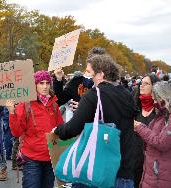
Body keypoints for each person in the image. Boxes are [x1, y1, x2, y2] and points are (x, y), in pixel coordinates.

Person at [53, 52, 136, 188]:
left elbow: (71, 129)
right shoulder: (126, 94)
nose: (90, 77)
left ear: (101, 74)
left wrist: (57, 130)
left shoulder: (94, 95)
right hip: (124, 170)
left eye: (91, 73)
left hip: (98, 171)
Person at [6, 70, 64, 188]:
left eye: (47, 83)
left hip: (50, 159)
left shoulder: (54, 104)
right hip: (32, 160)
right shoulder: (25, 104)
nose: (45, 86)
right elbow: (16, 132)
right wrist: (12, 112)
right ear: (34, 85)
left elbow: (60, 130)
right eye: (41, 83)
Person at [134, 81, 171, 188]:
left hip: (160, 176)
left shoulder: (166, 116)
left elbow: (161, 142)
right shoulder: (163, 114)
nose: (154, 101)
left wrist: (139, 127)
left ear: (163, 97)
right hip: (154, 172)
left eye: (155, 99)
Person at [133, 74, 158, 188]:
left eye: (146, 84)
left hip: (153, 161)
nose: (141, 86)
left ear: (154, 87)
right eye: (141, 83)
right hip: (133, 159)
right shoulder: (134, 108)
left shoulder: (160, 111)